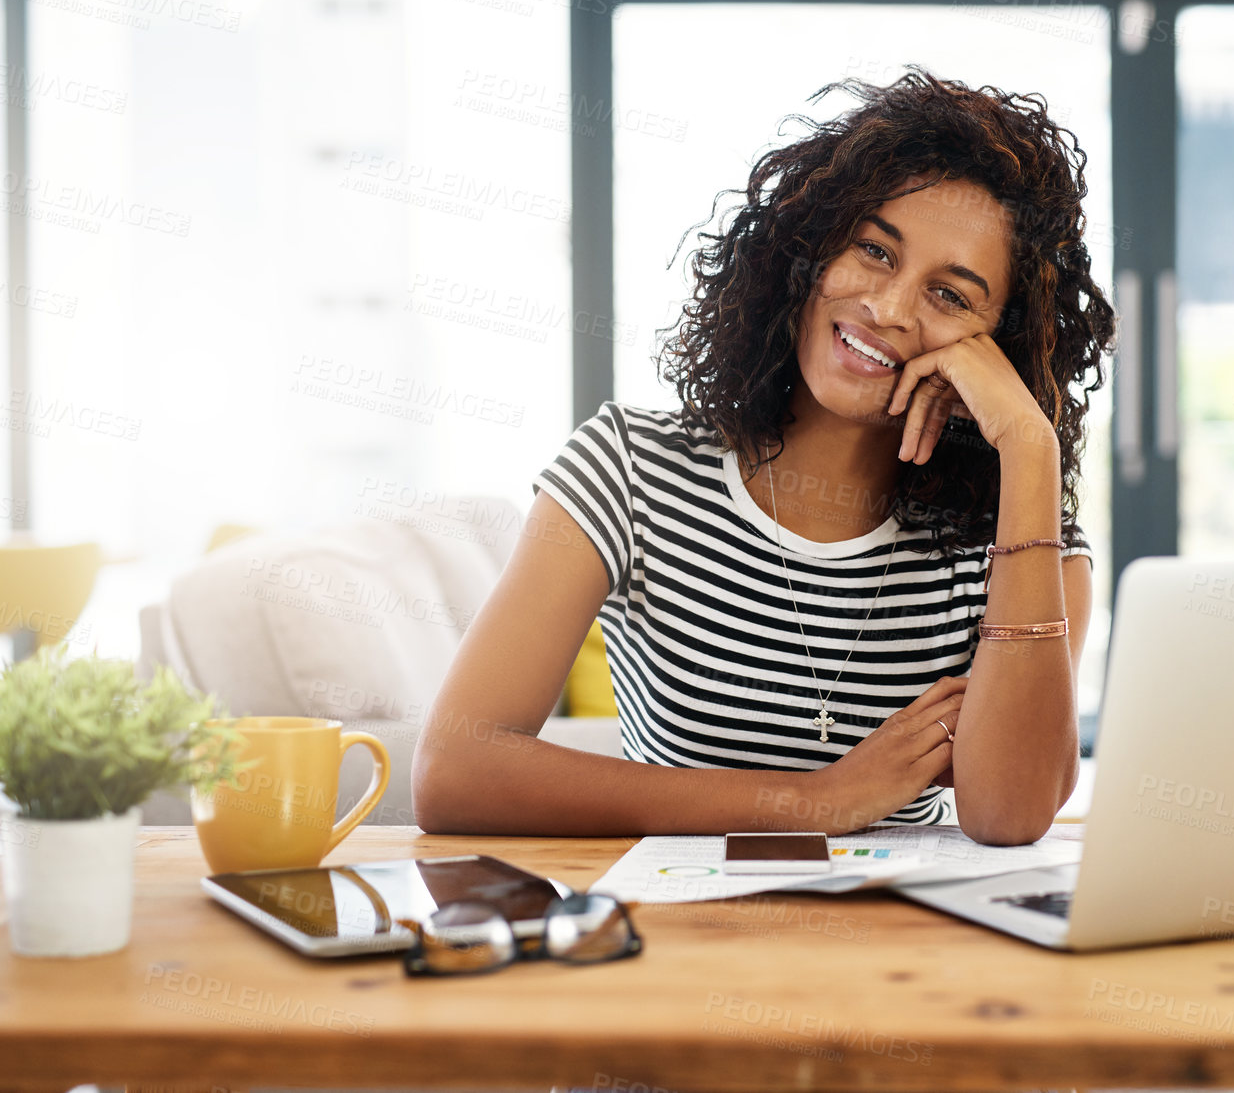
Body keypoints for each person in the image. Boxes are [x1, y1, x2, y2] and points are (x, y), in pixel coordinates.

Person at [413, 69, 1116, 846]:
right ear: (806, 251)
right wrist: (812, 800)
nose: (887, 309)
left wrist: (1027, 443)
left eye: (950, 294)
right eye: (874, 250)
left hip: (907, 956)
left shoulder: (1026, 544)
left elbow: (1009, 815)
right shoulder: (627, 469)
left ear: (1000, 345)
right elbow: (454, 771)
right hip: (675, 943)